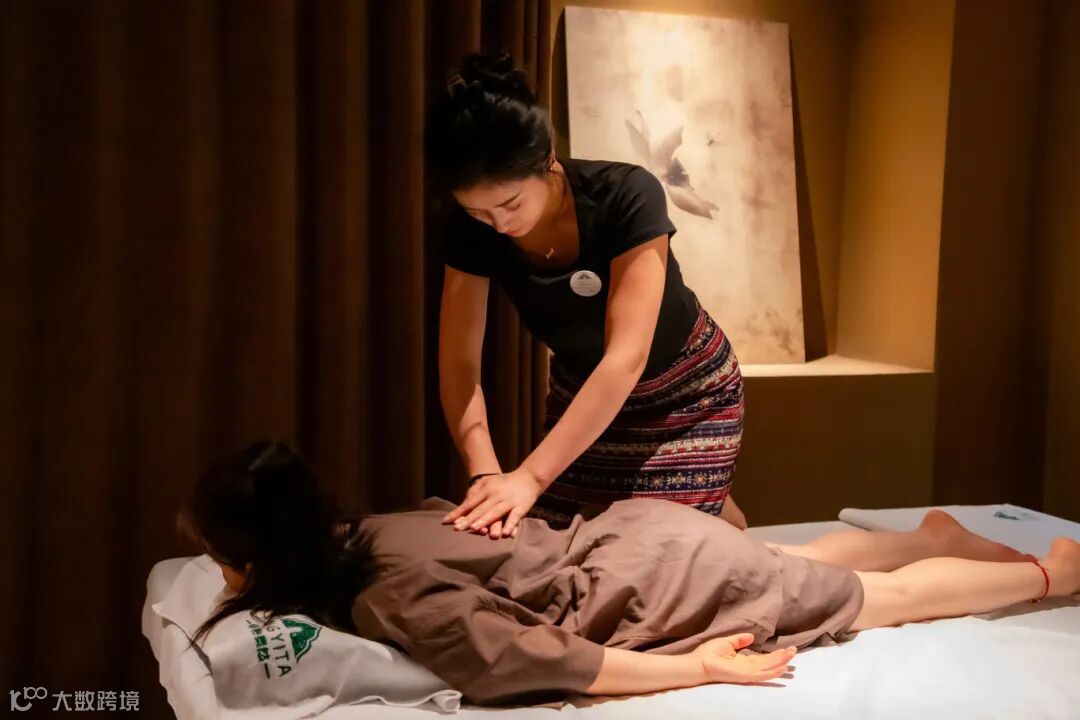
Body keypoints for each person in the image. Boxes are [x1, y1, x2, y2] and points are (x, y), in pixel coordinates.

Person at [178, 442, 1080, 707]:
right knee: (788, 562)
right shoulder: (374, 530)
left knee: (879, 604)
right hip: (638, 536)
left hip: (663, 581)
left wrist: (697, 667)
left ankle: (1050, 575)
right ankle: (931, 533)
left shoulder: (385, 594)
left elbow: (555, 663)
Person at [426, 51, 748, 537]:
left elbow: (626, 358)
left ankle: (719, 513)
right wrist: (485, 474)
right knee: (556, 546)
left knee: (653, 548)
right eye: (479, 213)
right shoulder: (472, 230)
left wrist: (531, 477)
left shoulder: (626, 195)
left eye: (511, 203)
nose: (499, 224)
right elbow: (459, 364)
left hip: (684, 393)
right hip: (584, 397)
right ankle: (715, 513)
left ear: (547, 159)